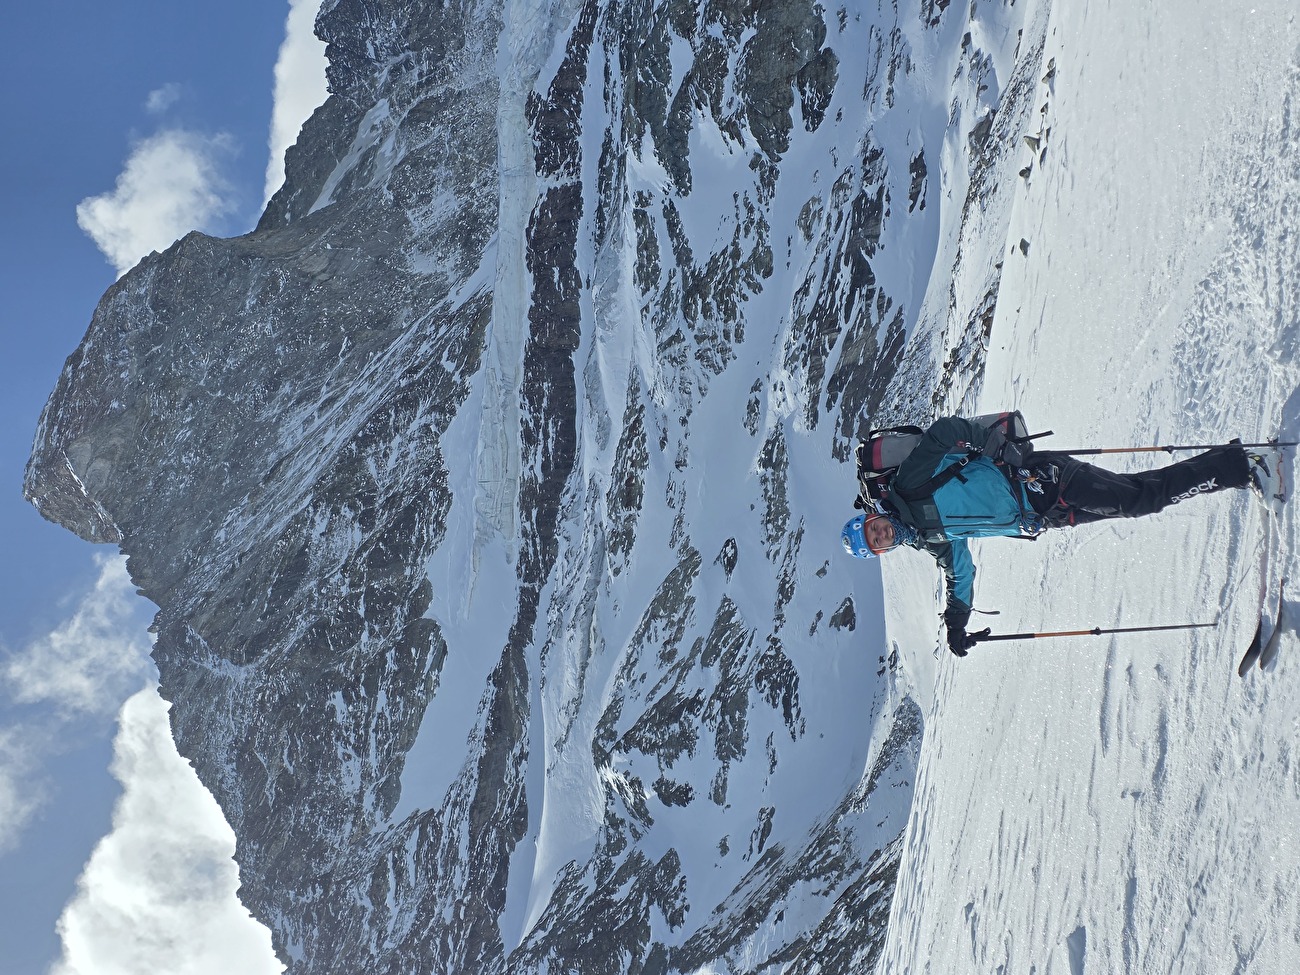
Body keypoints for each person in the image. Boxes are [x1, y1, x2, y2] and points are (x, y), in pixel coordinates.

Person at [841, 415, 1276, 657]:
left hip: (1038, 478)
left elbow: (943, 432)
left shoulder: (909, 485)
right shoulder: (926, 536)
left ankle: (1242, 465)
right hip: (1044, 514)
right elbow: (959, 571)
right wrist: (957, 621)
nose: (880, 534)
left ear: (873, 516)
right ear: (883, 551)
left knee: (1138, 499)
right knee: (1137, 496)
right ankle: (1231, 462)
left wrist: (999, 449)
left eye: (872, 528)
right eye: (876, 541)